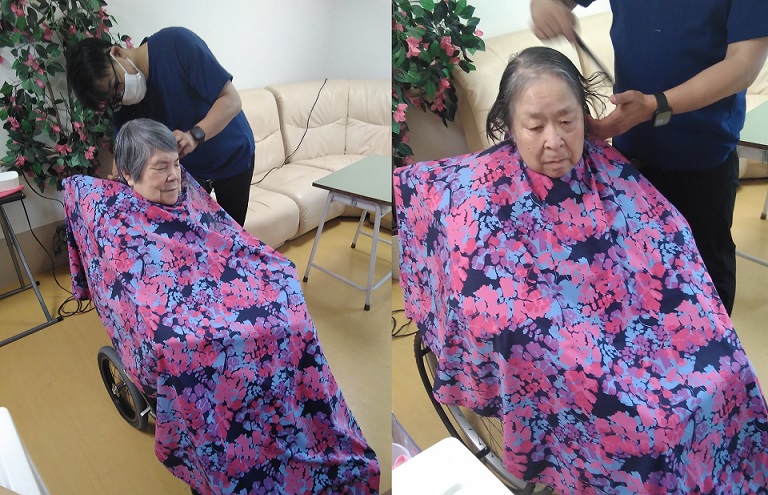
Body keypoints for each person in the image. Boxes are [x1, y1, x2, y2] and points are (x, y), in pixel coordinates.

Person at [394, 46, 768, 494]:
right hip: (572, 352)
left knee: (729, 376)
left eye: (567, 121)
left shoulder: (608, 168)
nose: (554, 141)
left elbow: (669, 241)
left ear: (585, 119)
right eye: (535, 126)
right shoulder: (478, 194)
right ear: (509, 125)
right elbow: (487, 294)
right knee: (648, 433)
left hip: (650, 331)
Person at [64, 119, 380, 495]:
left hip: (222, 288)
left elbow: (228, 238)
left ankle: (295, 415)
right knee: (210, 351)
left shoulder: (188, 193)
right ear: (130, 176)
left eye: (175, 163)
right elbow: (136, 292)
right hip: (183, 317)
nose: (174, 176)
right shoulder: (117, 220)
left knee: (289, 318)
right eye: (160, 168)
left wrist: (273, 274)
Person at [530, 0, 768, 315]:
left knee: (704, 278)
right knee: (636, 272)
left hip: (702, 159)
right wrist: (544, 4)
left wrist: (657, 105)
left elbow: (744, 65)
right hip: (629, 159)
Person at [66, 27, 255, 226]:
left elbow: (231, 100)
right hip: (189, 171)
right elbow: (122, 151)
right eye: (113, 99)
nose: (121, 96)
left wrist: (194, 136)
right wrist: (120, 178)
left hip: (232, 155)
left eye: (116, 86)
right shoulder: (123, 103)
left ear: (117, 53)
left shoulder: (176, 45)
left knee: (232, 236)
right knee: (192, 236)